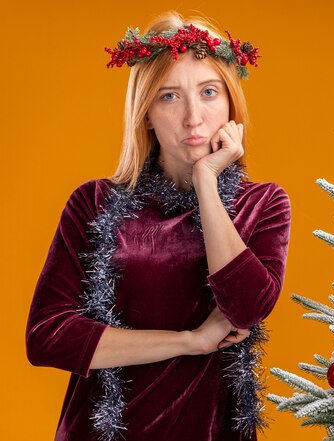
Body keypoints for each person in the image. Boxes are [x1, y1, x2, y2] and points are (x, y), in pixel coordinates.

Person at [25, 11, 290, 441]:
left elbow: (246, 308)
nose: (192, 118)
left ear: (231, 103)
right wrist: (189, 341)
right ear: (145, 112)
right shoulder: (93, 203)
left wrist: (207, 181)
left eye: (208, 92)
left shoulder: (262, 204)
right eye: (169, 96)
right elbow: (47, 338)